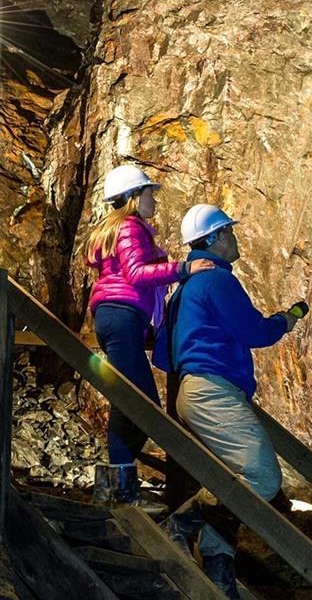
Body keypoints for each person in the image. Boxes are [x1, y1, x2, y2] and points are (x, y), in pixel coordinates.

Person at [153, 204, 309, 597]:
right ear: (217, 237)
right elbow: (254, 331)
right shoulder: (218, 281)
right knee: (262, 477)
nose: (235, 239)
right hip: (213, 392)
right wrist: (283, 321)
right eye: (231, 233)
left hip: (195, 391)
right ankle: (181, 525)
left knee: (230, 483)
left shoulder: (186, 287)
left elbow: (162, 353)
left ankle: (220, 575)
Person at [86, 164, 214, 506]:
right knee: (144, 407)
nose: (153, 199)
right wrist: (185, 269)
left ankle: (111, 489)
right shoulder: (130, 227)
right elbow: (138, 273)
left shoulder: (117, 228)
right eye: (149, 193)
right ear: (133, 197)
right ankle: (121, 492)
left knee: (127, 405)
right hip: (123, 315)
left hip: (118, 317)